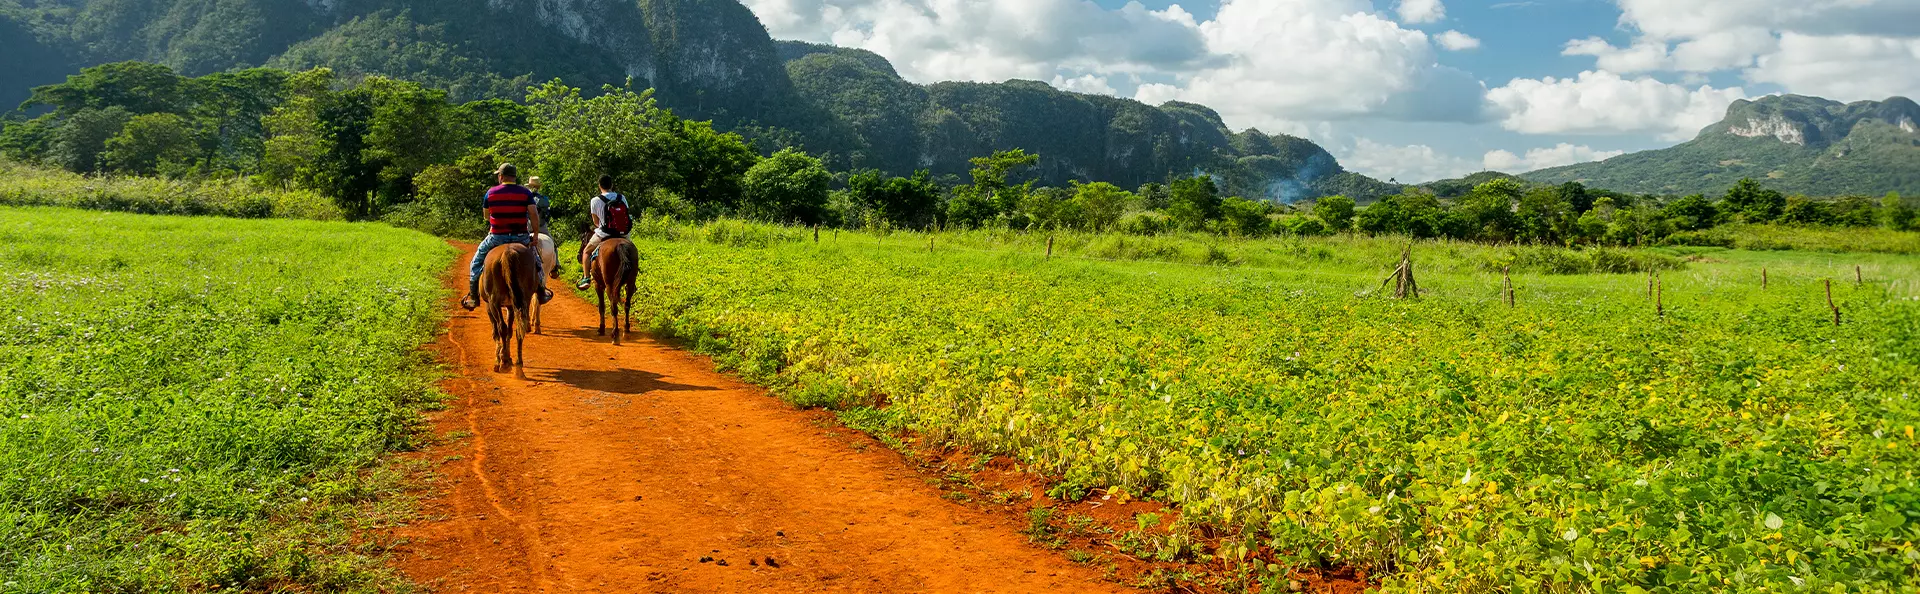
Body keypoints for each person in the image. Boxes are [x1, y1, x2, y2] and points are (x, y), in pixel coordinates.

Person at [462, 163, 553, 311]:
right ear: (515, 177)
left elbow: (486, 216)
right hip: (521, 237)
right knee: (537, 262)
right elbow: (534, 215)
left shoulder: (490, 193)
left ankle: (473, 296)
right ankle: (541, 292)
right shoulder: (525, 193)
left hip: (497, 237)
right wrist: (535, 235)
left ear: (501, 176)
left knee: (476, 262)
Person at [576, 175, 631, 290]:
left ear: (599, 186)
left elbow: (596, 222)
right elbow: (626, 215)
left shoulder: (595, 200)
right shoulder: (622, 197)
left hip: (604, 233)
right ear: (612, 185)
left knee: (586, 251)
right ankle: (631, 280)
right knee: (631, 252)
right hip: (623, 234)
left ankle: (586, 278)